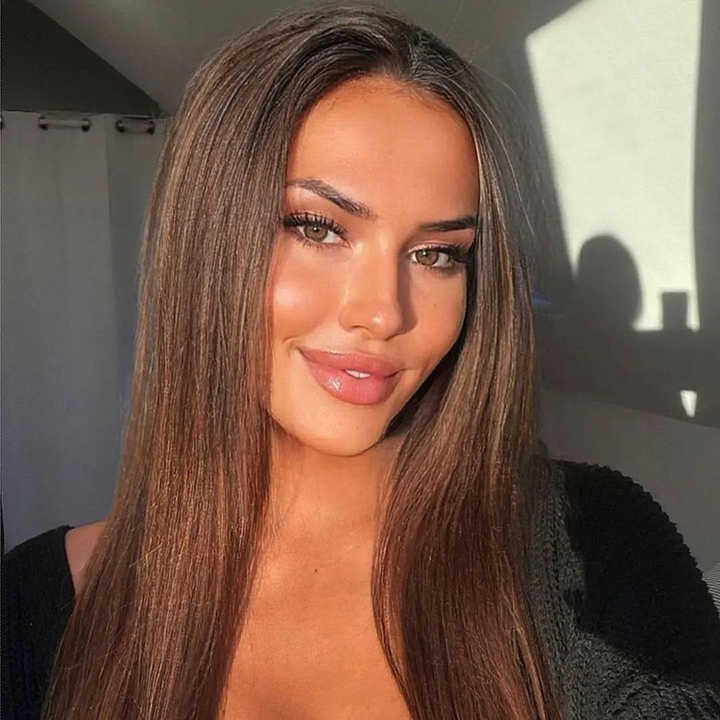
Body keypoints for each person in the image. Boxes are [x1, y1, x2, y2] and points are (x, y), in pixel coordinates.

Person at [2, 4, 719, 720]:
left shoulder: (596, 544)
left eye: (436, 254)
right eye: (317, 229)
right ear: (204, 241)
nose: (383, 314)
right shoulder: (29, 611)